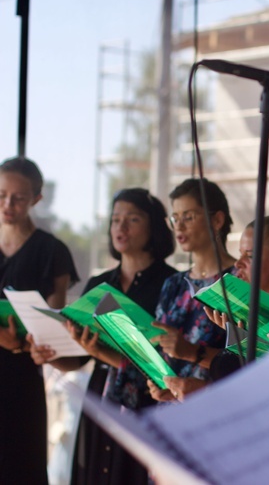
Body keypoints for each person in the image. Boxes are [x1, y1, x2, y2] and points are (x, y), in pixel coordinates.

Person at [29, 188, 176, 484]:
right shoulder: (100, 283)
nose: (120, 228)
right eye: (115, 219)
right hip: (101, 395)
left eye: (132, 219)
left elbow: (170, 361)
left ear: (155, 228)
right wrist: (52, 355)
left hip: (149, 401)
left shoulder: (171, 283)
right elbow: (80, 354)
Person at [0, 157, 79, 485]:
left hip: (20, 379)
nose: (8, 204)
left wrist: (20, 343)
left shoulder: (51, 251)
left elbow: (54, 327)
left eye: (18, 198)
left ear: (36, 200)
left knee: (18, 466)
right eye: (1, 194)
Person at [174, 207, 269, 390]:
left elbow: (254, 384)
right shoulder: (258, 315)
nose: (237, 263)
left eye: (250, 256)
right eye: (240, 254)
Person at [147, 178, 235, 403]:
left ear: (217, 220)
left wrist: (190, 351)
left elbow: (249, 358)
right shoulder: (173, 284)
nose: (179, 225)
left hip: (219, 408)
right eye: (175, 218)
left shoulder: (239, 280)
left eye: (188, 216)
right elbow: (161, 351)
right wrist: (160, 383)